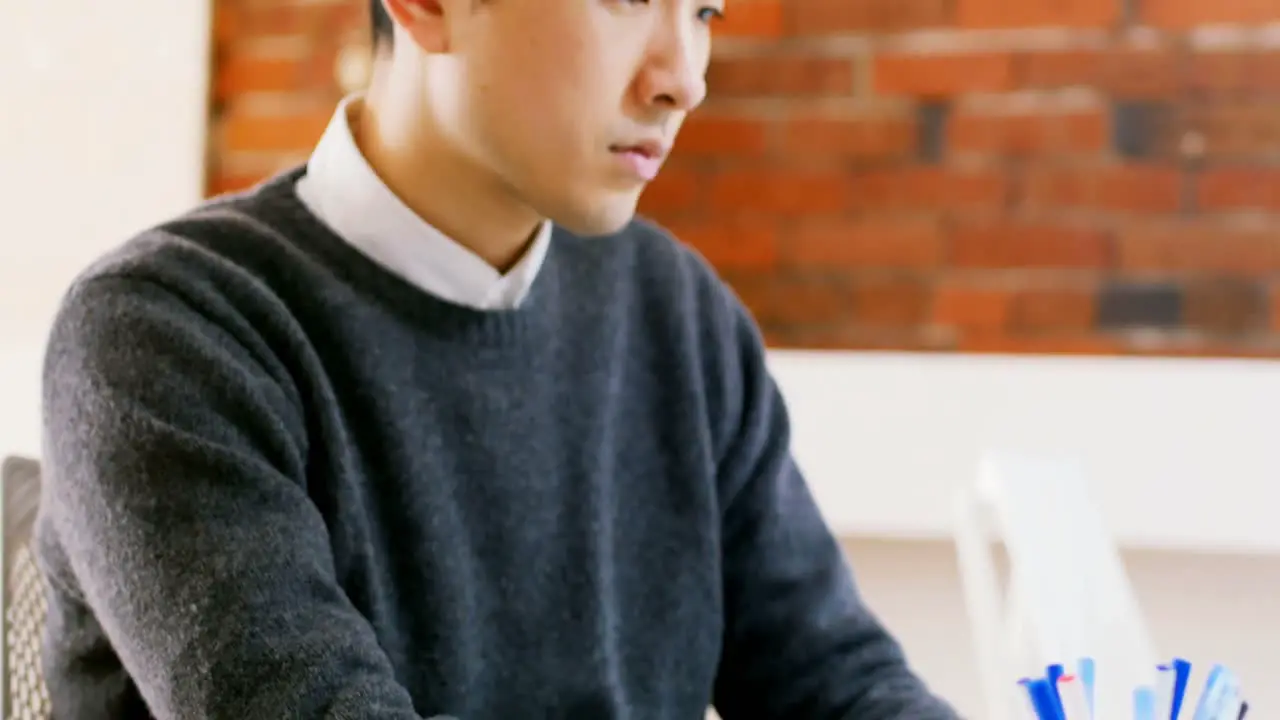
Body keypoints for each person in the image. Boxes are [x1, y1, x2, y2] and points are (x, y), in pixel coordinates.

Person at [34, 0, 960, 718]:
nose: (684, 77)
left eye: (706, 11)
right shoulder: (163, 334)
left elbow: (840, 683)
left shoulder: (678, 314)